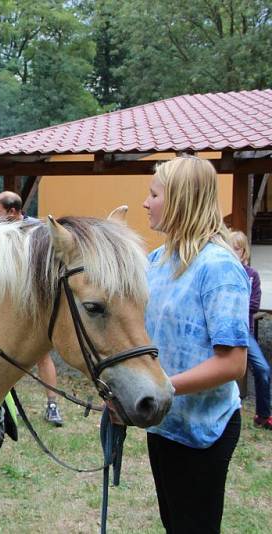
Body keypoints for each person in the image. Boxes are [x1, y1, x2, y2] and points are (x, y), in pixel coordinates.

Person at [142, 156, 248, 533]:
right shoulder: (157, 261)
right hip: (165, 423)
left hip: (205, 430)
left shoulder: (218, 268)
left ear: (181, 200)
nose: (145, 203)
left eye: (154, 194)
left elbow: (233, 363)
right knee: (175, 524)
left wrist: (163, 388)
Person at [0, 191, 64, 426]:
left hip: (34, 304)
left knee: (41, 355)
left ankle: (52, 406)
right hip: (8, 303)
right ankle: (3, 407)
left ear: (12, 212)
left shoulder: (38, 231)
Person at [229, 230, 272, 430]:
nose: (232, 252)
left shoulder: (252, 275)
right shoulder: (224, 272)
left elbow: (254, 304)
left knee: (262, 369)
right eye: (229, 248)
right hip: (223, 329)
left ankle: (263, 415)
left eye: (236, 248)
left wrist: (233, 304)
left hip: (243, 331)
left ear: (244, 251)